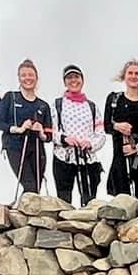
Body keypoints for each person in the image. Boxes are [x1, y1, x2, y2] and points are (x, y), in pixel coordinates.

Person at [0, 60, 53, 197]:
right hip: (15, 146)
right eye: (23, 75)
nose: (27, 78)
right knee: (30, 185)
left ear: (36, 78)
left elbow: (49, 136)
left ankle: (24, 209)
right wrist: (18, 129)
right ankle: (20, 208)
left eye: (30, 75)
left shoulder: (43, 105)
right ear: (19, 78)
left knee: (36, 187)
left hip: (37, 149)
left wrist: (41, 131)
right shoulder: (11, 97)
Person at [104, 60, 138, 200]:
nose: (133, 76)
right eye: (130, 73)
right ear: (124, 76)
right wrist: (117, 126)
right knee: (122, 204)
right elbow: (106, 126)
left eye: (137, 73)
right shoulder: (114, 100)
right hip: (120, 161)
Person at [52, 66, 104, 207]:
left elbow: (101, 134)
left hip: (87, 159)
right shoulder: (57, 104)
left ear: (82, 80)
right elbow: (52, 131)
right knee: (63, 201)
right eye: (69, 77)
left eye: (76, 77)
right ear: (65, 82)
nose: (73, 80)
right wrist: (64, 139)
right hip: (63, 158)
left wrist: (90, 143)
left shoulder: (92, 107)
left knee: (89, 201)